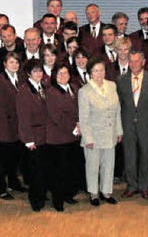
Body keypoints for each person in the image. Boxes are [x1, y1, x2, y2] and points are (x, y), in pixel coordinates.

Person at [79, 58, 123, 206]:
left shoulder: (112, 85)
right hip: (93, 136)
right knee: (92, 166)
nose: (100, 73)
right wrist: (88, 138)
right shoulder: (84, 91)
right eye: (96, 71)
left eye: (102, 70)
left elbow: (117, 111)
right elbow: (83, 118)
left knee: (109, 165)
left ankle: (106, 191)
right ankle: (94, 193)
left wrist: (119, 130)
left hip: (110, 134)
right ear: (90, 72)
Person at [116, 50, 148, 199]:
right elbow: (118, 105)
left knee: (146, 157)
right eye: (131, 61)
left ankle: (145, 186)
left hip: (147, 124)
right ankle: (132, 185)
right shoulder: (120, 80)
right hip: (127, 124)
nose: (134, 64)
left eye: (137, 61)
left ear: (144, 62)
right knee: (129, 156)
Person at [0, 52, 27, 200]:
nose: (15, 65)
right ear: (5, 64)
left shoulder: (21, 79)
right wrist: (6, 129)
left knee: (14, 159)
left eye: (17, 62)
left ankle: (13, 182)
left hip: (18, 128)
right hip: (5, 129)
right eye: (11, 62)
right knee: (2, 161)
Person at [45, 64, 81, 211]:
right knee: (59, 171)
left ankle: (68, 195)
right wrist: (75, 128)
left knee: (71, 169)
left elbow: (80, 108)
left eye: (65, 72)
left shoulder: (74, 88)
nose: (63, 75)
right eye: (59, 73)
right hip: (59, 138)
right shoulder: (51, 92)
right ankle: (58, 200)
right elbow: (56, 116)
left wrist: (80, 124)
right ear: (54, 75)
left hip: (74, 137)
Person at [16, 59, 50, 212]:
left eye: (40, 70)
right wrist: (28, 139)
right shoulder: (24, 91)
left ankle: (42, 194)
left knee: (43, 168)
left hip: (45, 136)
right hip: (33, 137)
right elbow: (23, 117)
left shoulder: (44, 87)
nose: (38, 73)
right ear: (29, 73)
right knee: (35, 171)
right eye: (35, 71)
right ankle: (35, 199)